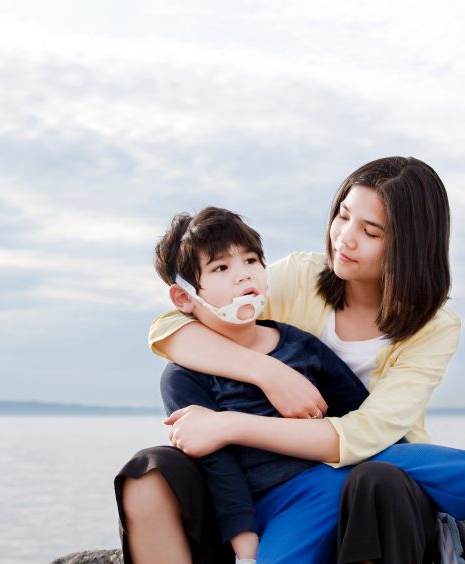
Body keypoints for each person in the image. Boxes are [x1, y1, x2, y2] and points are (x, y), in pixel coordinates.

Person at [118, 157, 465, 563]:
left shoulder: (435, 327)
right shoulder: (299, 277)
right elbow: (168, 329)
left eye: (371, 231)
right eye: (343, 215)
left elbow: (366, 433)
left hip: (378, 466)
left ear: (409, 245)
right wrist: (268, 373)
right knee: (154, 466)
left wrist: (230, 425)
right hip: (290, 481)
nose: (345, 238)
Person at [148, 206, 380, 562]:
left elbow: (364, 417)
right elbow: (219, 470)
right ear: (184, 297)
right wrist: (247, 552)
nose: (243, 277)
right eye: (221, 268)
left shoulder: (301, 345)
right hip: (274, 506)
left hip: (337, 482)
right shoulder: (183, 377)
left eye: (252, 261)